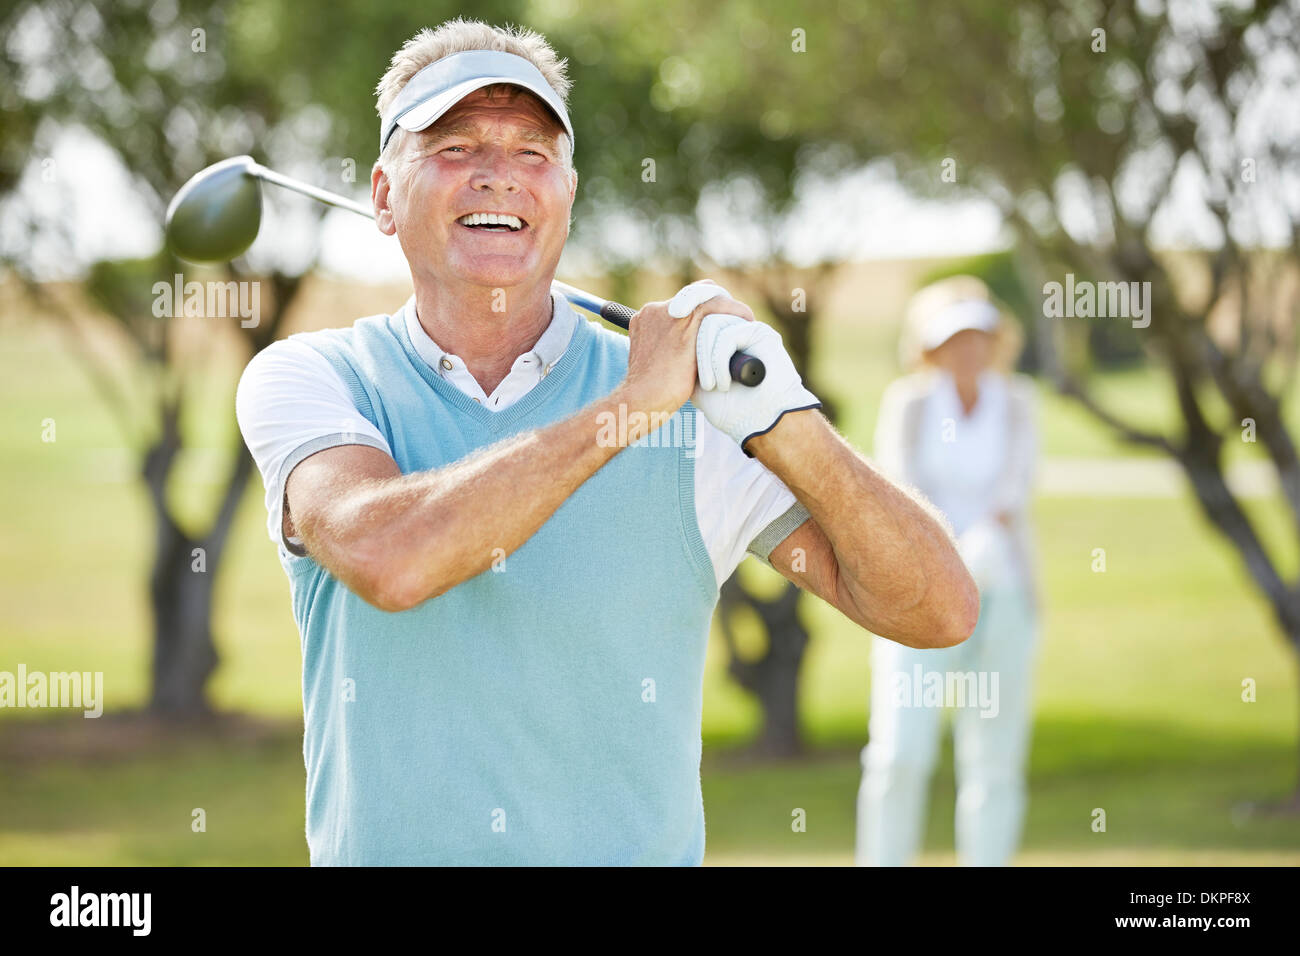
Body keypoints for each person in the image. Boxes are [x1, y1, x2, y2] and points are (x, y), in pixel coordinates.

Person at [235, 18, 978, 866]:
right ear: (381, 195)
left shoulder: (694, 422)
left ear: (568, 192)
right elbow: (389, 557)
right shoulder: (316, 379)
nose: (497, 175)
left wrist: (783, 413)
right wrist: (628, 407)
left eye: (531, 152)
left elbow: (936, 609)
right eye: (454, 146)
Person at [856, 275, 1040, 867]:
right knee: (899, 753)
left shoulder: (1017, 402)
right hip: (918, 596)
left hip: (1004, 592)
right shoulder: (909, 404)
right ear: (930, 348)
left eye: (977, 336)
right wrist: (949, 556)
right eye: (954, 339)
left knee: (993, 759)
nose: (968, 349)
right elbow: (900, 488)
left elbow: (1013, 490)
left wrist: (983, 547)